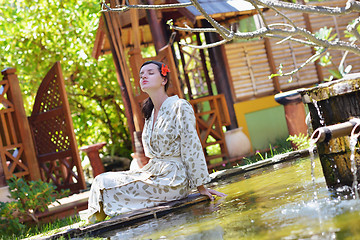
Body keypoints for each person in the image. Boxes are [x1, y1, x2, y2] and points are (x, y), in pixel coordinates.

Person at [87, 60, 226, 222]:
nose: (144, 76)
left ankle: (94, 228)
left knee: (104, 183)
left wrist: (200, 186)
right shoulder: (150, 112)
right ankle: (96, 226)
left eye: (150, 73)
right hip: (153, 172)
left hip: (173, 179)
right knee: (101, 181)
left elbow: (191, 146)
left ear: (164, 80)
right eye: (141, 75)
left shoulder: (180, 106)